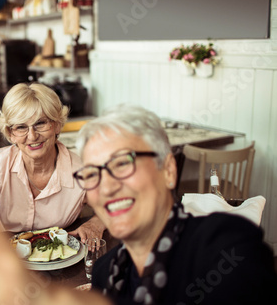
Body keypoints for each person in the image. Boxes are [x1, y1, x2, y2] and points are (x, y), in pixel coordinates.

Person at [72, 104, 277, 304]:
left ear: (168, 170)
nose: (106, 187)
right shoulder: (104, 273)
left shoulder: (224, 249)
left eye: (123, 163)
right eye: (91, 174)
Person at [0, 82, 105, 242]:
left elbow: (112, 206)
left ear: (57, 125)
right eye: (21, 127)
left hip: (57, 258)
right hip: (2, 253)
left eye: (40, 123)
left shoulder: (82, 169)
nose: (32, 136)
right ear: (11, 134)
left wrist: (95, 224)